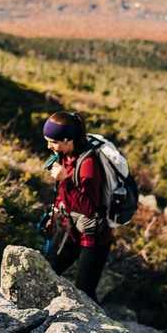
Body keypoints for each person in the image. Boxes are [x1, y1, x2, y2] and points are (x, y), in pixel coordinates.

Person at [41, 110, 112, 301]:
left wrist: (65, 180)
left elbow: (89, 208)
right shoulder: (64, 154)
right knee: (46, 271)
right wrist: (54, 212)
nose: (49, 146)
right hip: (70, 227)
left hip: (93, 236)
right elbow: (63, 195)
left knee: (85, 292)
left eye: (53, 142)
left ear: (67, 139)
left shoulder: (88, 163)